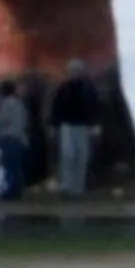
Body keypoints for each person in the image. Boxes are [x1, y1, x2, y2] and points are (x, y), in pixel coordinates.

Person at [49, 61, 101, 197]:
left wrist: (95, 124)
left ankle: (78, 187)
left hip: (83, 126)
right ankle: (67, 185)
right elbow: (56, 107)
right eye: (72, 71)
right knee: (68, 155)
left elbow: (95, 107)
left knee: (81, 156)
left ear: (82, 72)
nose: (74, 73)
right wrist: (54, 125)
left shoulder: (88, 88)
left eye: (77, 71)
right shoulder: (64, 87)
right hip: (67, 125)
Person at [0, 78, 30, 201]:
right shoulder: (19, 103)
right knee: (16, 166)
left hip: (8, 137)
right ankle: (17, 190)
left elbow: (2, 120)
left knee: (8, 166)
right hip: (18, 137)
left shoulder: (7, 104)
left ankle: (9, 192)